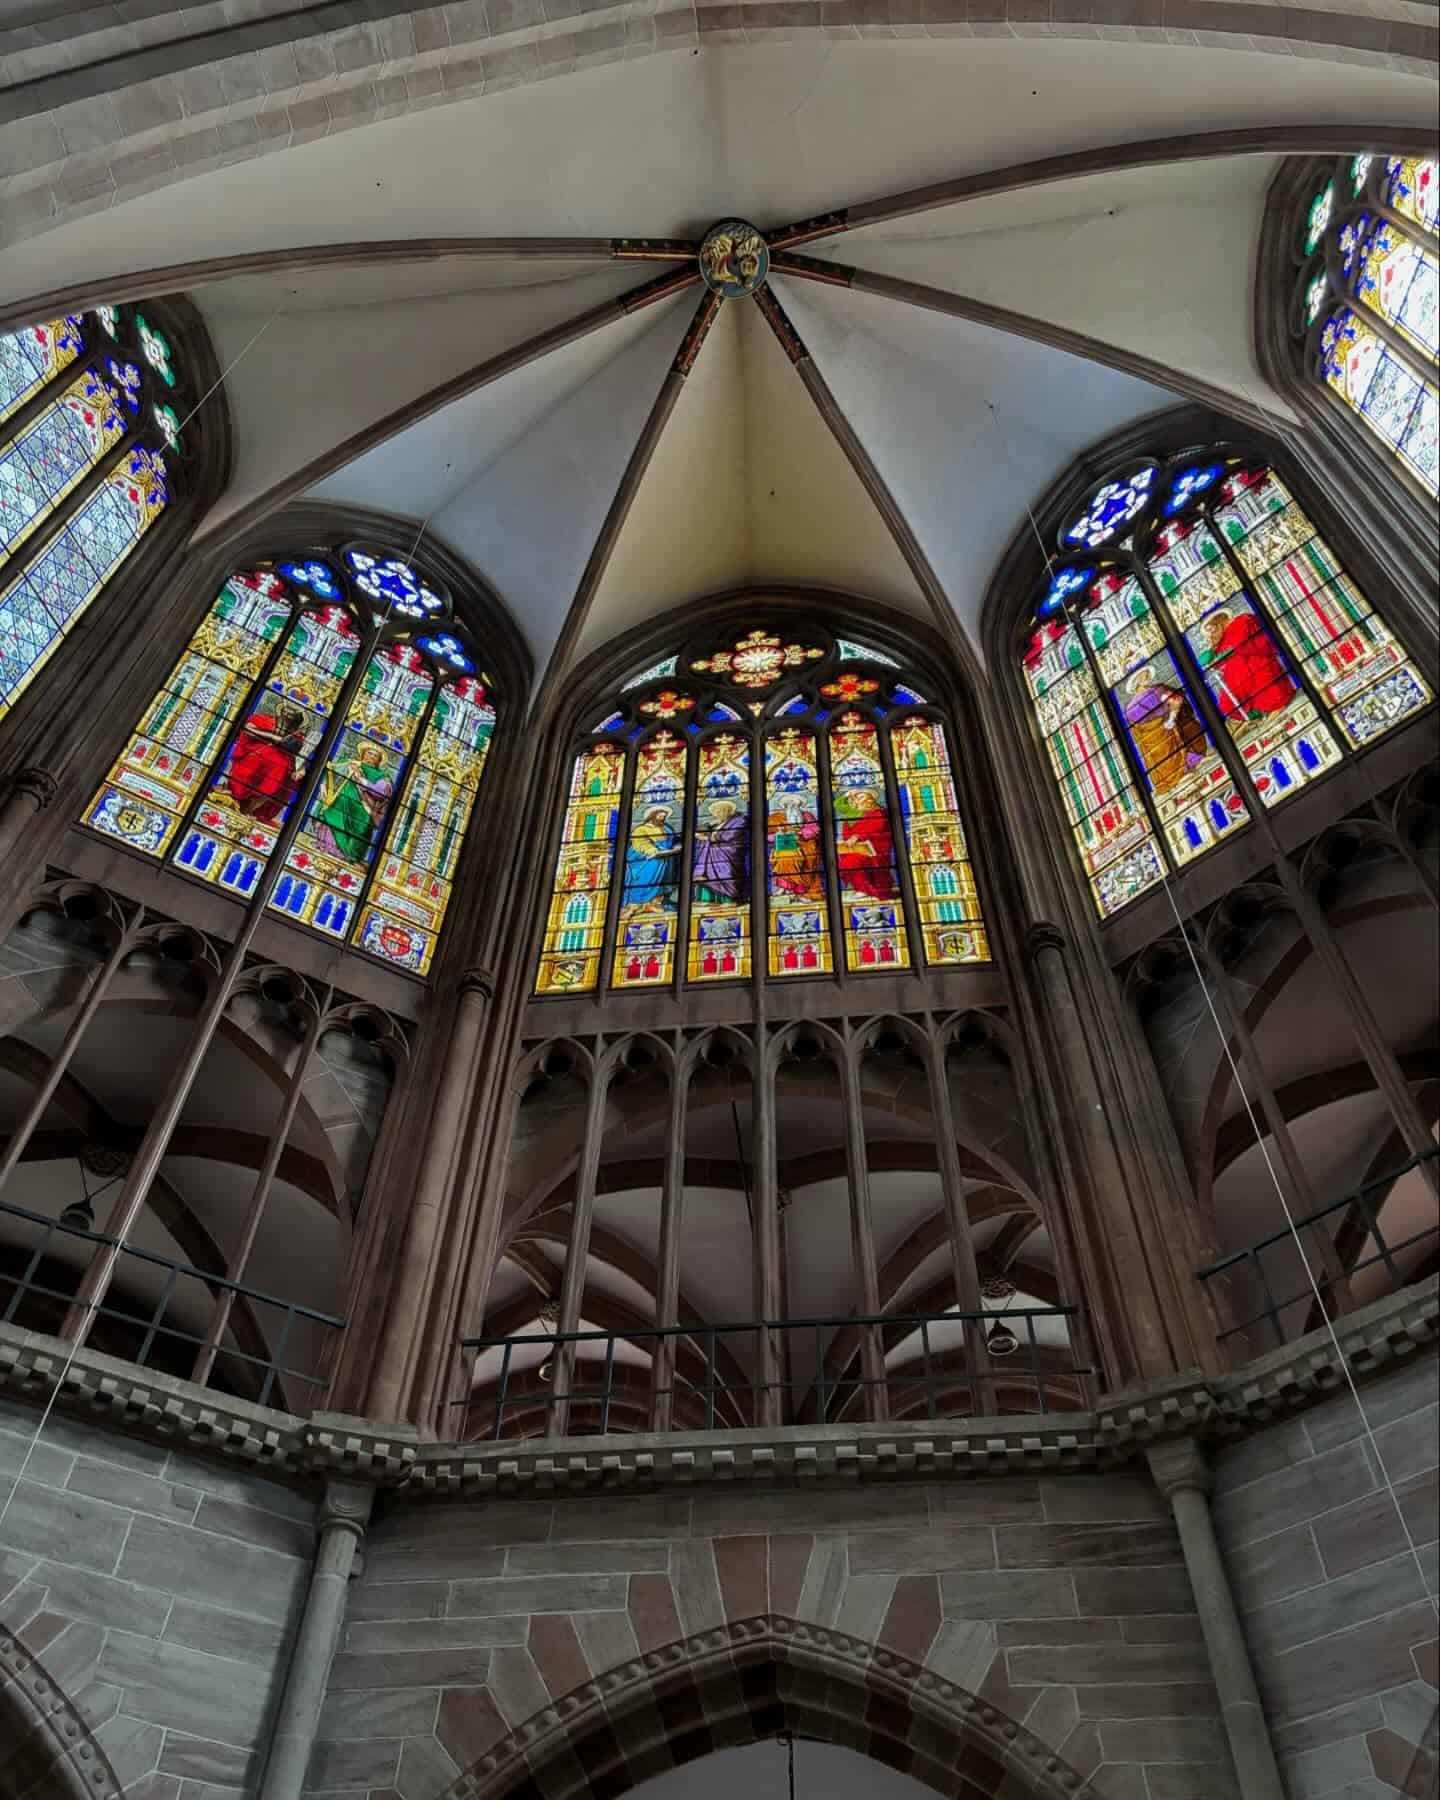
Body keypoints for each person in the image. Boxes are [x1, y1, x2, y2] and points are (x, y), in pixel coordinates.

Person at [1201, 608, 1297, 720]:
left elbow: (1247, 644)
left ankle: (1276, 705)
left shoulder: (1242, 621)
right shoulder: (1220, 641)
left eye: (1211, 627)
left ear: (1219, 620)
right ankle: (1260, 714)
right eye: (1208, 630)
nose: (1211, 632)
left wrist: (1231, 652)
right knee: (1226, 704)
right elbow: (1208, 661)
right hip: (1237, 677)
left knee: (1258, 674)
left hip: (1255, 662)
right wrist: (1213, 647)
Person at [1123, 671, 1207, 794]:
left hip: (1157, 746)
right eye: (1143, 675)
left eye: (1146, 674)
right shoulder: (1156, 691)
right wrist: (1171, 718)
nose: (1146, 677)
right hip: (1164, 738)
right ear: (1137, 681)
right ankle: (1187, 766)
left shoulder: (1130, 708)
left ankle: (1182, 771)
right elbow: (1176, 700)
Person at [225, 701, 307, 822]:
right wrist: (272, 737)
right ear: (281, 711)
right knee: (256, 760)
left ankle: (252, 808)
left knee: (281, 770)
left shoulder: (298, 736)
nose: (288, 716)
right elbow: (248, 728)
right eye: (287, 712)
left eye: (292, 715)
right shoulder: (264, 720)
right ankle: (234, 795)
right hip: (256, 753)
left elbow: (302, 756)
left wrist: (301, 769)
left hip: (282, 764)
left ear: (297, 719)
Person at [313, 745, 395, 862]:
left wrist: (360, 778)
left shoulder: (381, 776)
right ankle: (326, 845)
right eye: (369, 753)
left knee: (362, 822)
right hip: (338, 798)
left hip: (361, 806)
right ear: (363, 754)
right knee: (335, 807)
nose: (371, 757)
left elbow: (382, 792)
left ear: (379, 760)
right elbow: (331, 773)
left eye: (375, 755)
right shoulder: (347, 762)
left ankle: (345, 852)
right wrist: (323, 785)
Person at [837, 789, 897, 900]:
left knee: (853, 862)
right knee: (847, 862)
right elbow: (839, 805)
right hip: (858, 849)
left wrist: (858, 836)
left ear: (870, 800)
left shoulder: (879, 812)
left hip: (876, 849)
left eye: (861, 799)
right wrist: (848, 794)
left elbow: (877, 827)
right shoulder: (856, 814)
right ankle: (861, 888)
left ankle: (867, 890)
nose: (858, 802)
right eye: (857, 800)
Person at [622, 805, 681, 909]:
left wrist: (677, 845)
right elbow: (644, 846)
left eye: (664, 817)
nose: (662, 819)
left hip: (667, 857)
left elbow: (674, 840)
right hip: (646, 860)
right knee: (655, 864)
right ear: (652, 816)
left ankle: (659, 901)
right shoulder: (641, 830)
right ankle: (641, 903)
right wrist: (668, 851)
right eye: (660, 816)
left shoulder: (666, 828)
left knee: (670, 866)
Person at [692, 799, 748, 903]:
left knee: (727, 875)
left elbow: (730, 835)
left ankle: (729, 900)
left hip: (729, 855)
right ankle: (708, 900)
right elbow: (702, 830)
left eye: (721, 811)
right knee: (707, 876)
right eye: (716, 812)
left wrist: (707, 838)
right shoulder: (717, 824)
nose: (718, 814)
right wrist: (709, 825)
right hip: (710, 856)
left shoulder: (739, 820)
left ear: (729, 811)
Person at [770, 804, 824, 901]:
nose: (792, 804)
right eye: (788, 802)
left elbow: (815, 829)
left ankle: (800, 891)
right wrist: (777, 836)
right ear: (783, 806)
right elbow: (767, 835)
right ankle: (785, 887)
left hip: (805, 846)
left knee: (803, 858)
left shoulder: (807, 815)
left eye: (794, 802)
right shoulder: (775, 818)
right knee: (783, 857)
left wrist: (801, 834)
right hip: (785, 846)